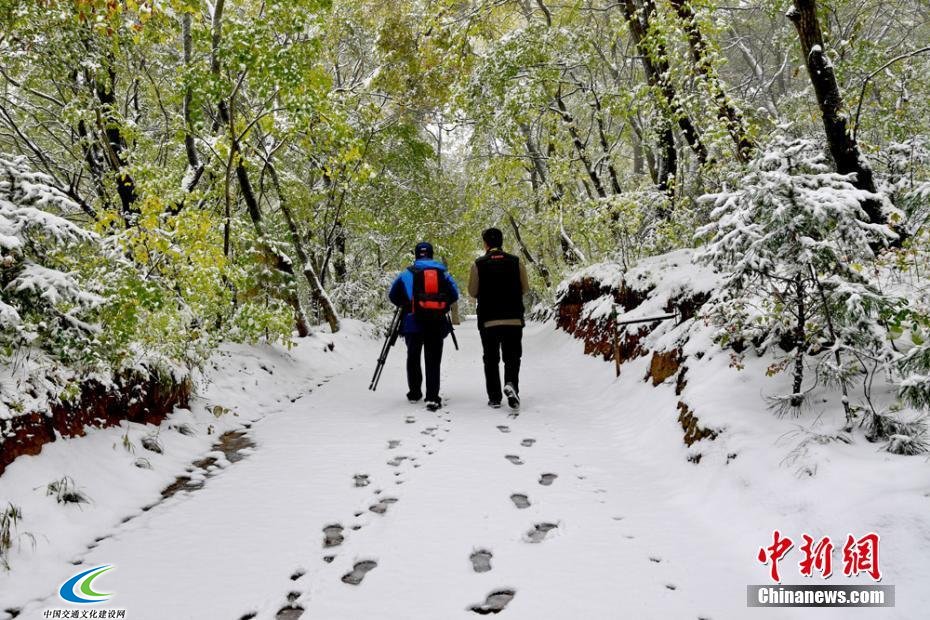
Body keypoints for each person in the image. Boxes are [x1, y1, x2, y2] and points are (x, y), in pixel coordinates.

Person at [388, 241, 460, 412]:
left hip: (412, 322)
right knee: (433, 359)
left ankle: (414, 393)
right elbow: (454, 294)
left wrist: (408, 305)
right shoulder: (443, 273)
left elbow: (392, 295)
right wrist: (439, 307)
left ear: (415, 255)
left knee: (413, 357)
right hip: (436, 322)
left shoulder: (406, 274)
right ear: (432, 254)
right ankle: (432, 396)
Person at [467, 227, 529, 410]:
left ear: (485, 244)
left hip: (488, 320)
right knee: (512, 357)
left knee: (491, 358)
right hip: (513, 319)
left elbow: (472, 291)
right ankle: (511, 383)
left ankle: (494, 397)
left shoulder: (478, 264)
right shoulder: (516, 262)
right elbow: (525, 288)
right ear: (501, 242)